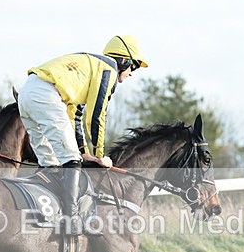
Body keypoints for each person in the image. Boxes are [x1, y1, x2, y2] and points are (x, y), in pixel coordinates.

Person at [17, 35, 148, 234]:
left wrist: (84, 151)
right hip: (46, 95)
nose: (131, 74)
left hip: (27, 93)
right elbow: (96, 116)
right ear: (124, 61)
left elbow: (75, 116)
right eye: (134, 67)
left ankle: (43, 213)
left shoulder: (90, 69)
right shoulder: (109, 70)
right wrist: (100, 155)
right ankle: (72, 220)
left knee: (49, 162)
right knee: (70, 160)